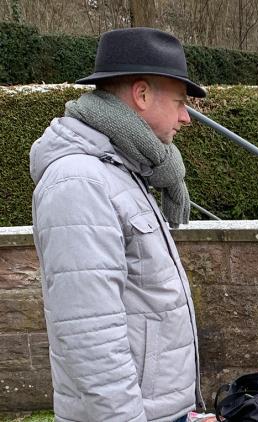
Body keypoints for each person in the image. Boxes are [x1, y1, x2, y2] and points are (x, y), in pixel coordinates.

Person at [29, 28, 206, 421]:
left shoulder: (122, 168)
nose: (185, 117)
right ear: (141, 95)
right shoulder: (80, 181)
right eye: (179, 101)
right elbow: (89, 338)